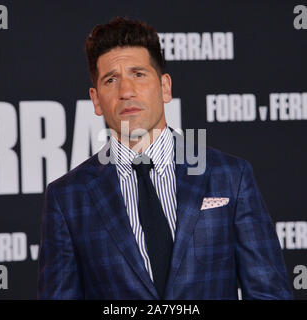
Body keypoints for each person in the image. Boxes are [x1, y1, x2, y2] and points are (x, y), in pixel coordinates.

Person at [37, 17, 293, 300]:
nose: (126, 92)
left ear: (165, 87)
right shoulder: (67, 198)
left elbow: (270, 294)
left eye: (138, 74)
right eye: (111, 79)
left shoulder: (230, 176)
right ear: (96, 100)